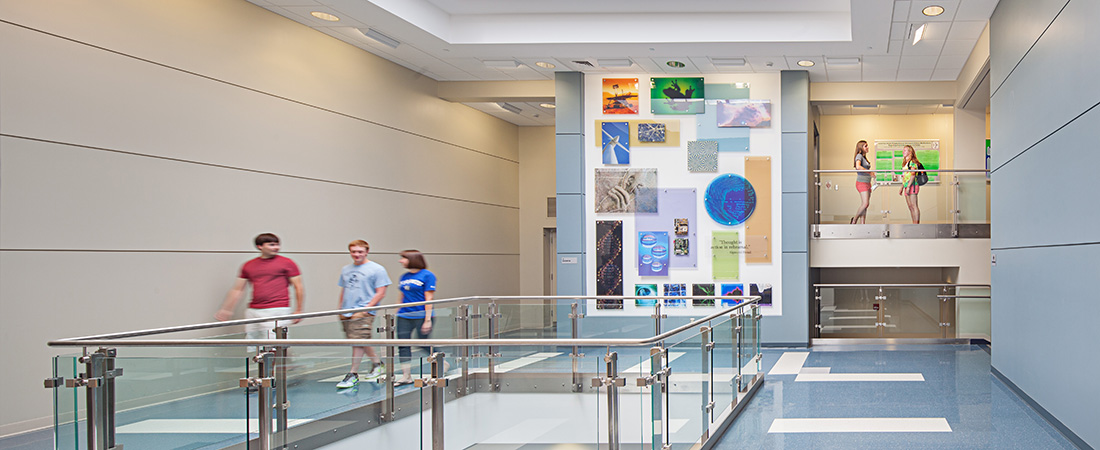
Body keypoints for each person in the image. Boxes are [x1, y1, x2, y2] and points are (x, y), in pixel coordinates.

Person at [216, 233, 304, 353]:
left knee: (275, 343)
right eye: (271, 245)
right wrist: (227, 309)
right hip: (254, 310)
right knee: (254, 343)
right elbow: (238, 289)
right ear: (260, 246)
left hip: (277, 309)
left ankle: (284, 367)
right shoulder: (249, 265)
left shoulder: (287, 263)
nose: (276, 248)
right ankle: (264, 370)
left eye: (277, 244)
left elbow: (298, 286)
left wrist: (299, 309)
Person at [335, 240, 391, 389]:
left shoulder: (377, 269)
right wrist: (340, 308)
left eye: (360, 252)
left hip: (363, 310)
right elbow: (344, 289)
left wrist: (367, 308)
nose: (356, 255)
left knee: (358, 341)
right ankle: (377, 364)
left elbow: (381, 292)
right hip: (346, 311)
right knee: (359, 340)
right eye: (353, 251)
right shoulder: (346, 269)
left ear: (366, 252)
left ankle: (353, 373)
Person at [393, 250, 438, 385]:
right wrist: (396, 312)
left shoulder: (427, 275)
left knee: (422, 342)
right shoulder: (404, 276)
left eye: (403, 258)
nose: (401, 261)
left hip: (421, 314)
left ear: (412, 259)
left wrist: (427, 319)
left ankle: (441, 360)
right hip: (404, 314)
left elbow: (429, 298)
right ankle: (406, 375)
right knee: (403, 345)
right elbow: (401, 296)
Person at [898, 145, 921, 224]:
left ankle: (916, 224)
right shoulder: (905, 163)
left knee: (914, 205)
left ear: (910, 152)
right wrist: (902, 187)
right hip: (906, 186)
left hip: (913, 185)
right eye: (903, 150)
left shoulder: (912, 162)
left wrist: (908, 187)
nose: (903, 152)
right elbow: (905, 177)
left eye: (905, 150)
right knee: (910, 206)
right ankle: (913, 223)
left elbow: (913, 174)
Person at [852, 140, 873, 224]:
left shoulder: (864, 157)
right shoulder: (859, 156)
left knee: (866, 205)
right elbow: (858, 167)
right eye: (865, 146)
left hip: (867, 182)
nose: (867, 147)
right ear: (861, 147)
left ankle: (862, 223)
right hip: (862, 182)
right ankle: (854, 219)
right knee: (865, 203)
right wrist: (870, 172)